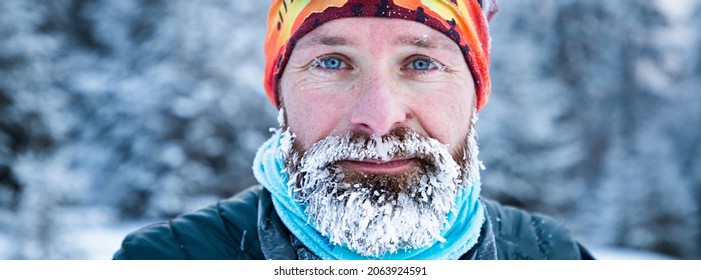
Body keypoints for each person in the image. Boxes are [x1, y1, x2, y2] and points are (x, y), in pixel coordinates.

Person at [113, 0, 593, 260]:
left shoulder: (552, 257)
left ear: (476, 91)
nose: (379, 118)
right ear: (281, 94)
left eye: (421, 62)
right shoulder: (171, 261)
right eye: (332, 62)